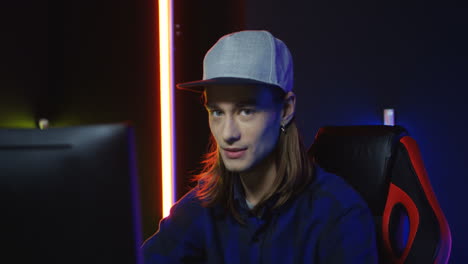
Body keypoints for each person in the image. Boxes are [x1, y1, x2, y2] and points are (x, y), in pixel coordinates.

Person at [142, 30, 378, 263]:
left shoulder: (339, 213)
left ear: (285, 110)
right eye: (216, 112)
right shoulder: (202, 206)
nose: (227, 133)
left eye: (246, 111)